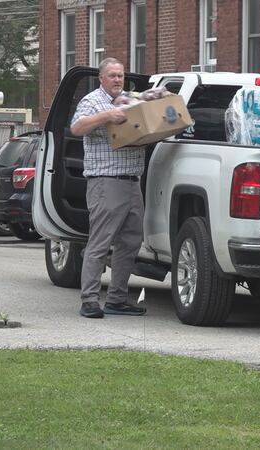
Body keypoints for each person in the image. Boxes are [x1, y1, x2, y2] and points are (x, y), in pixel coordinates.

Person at [70, 57, 147, 319]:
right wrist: (107, 115)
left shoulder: (130, 100)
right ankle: (89, 300)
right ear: (101, 78)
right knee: (100, 243)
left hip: (132, 182)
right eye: (112, 75)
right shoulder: (92, 101)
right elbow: (76, 127)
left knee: (131, 242)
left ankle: (117, 299)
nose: (117, 80)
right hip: (106, 182)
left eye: (120, 75)